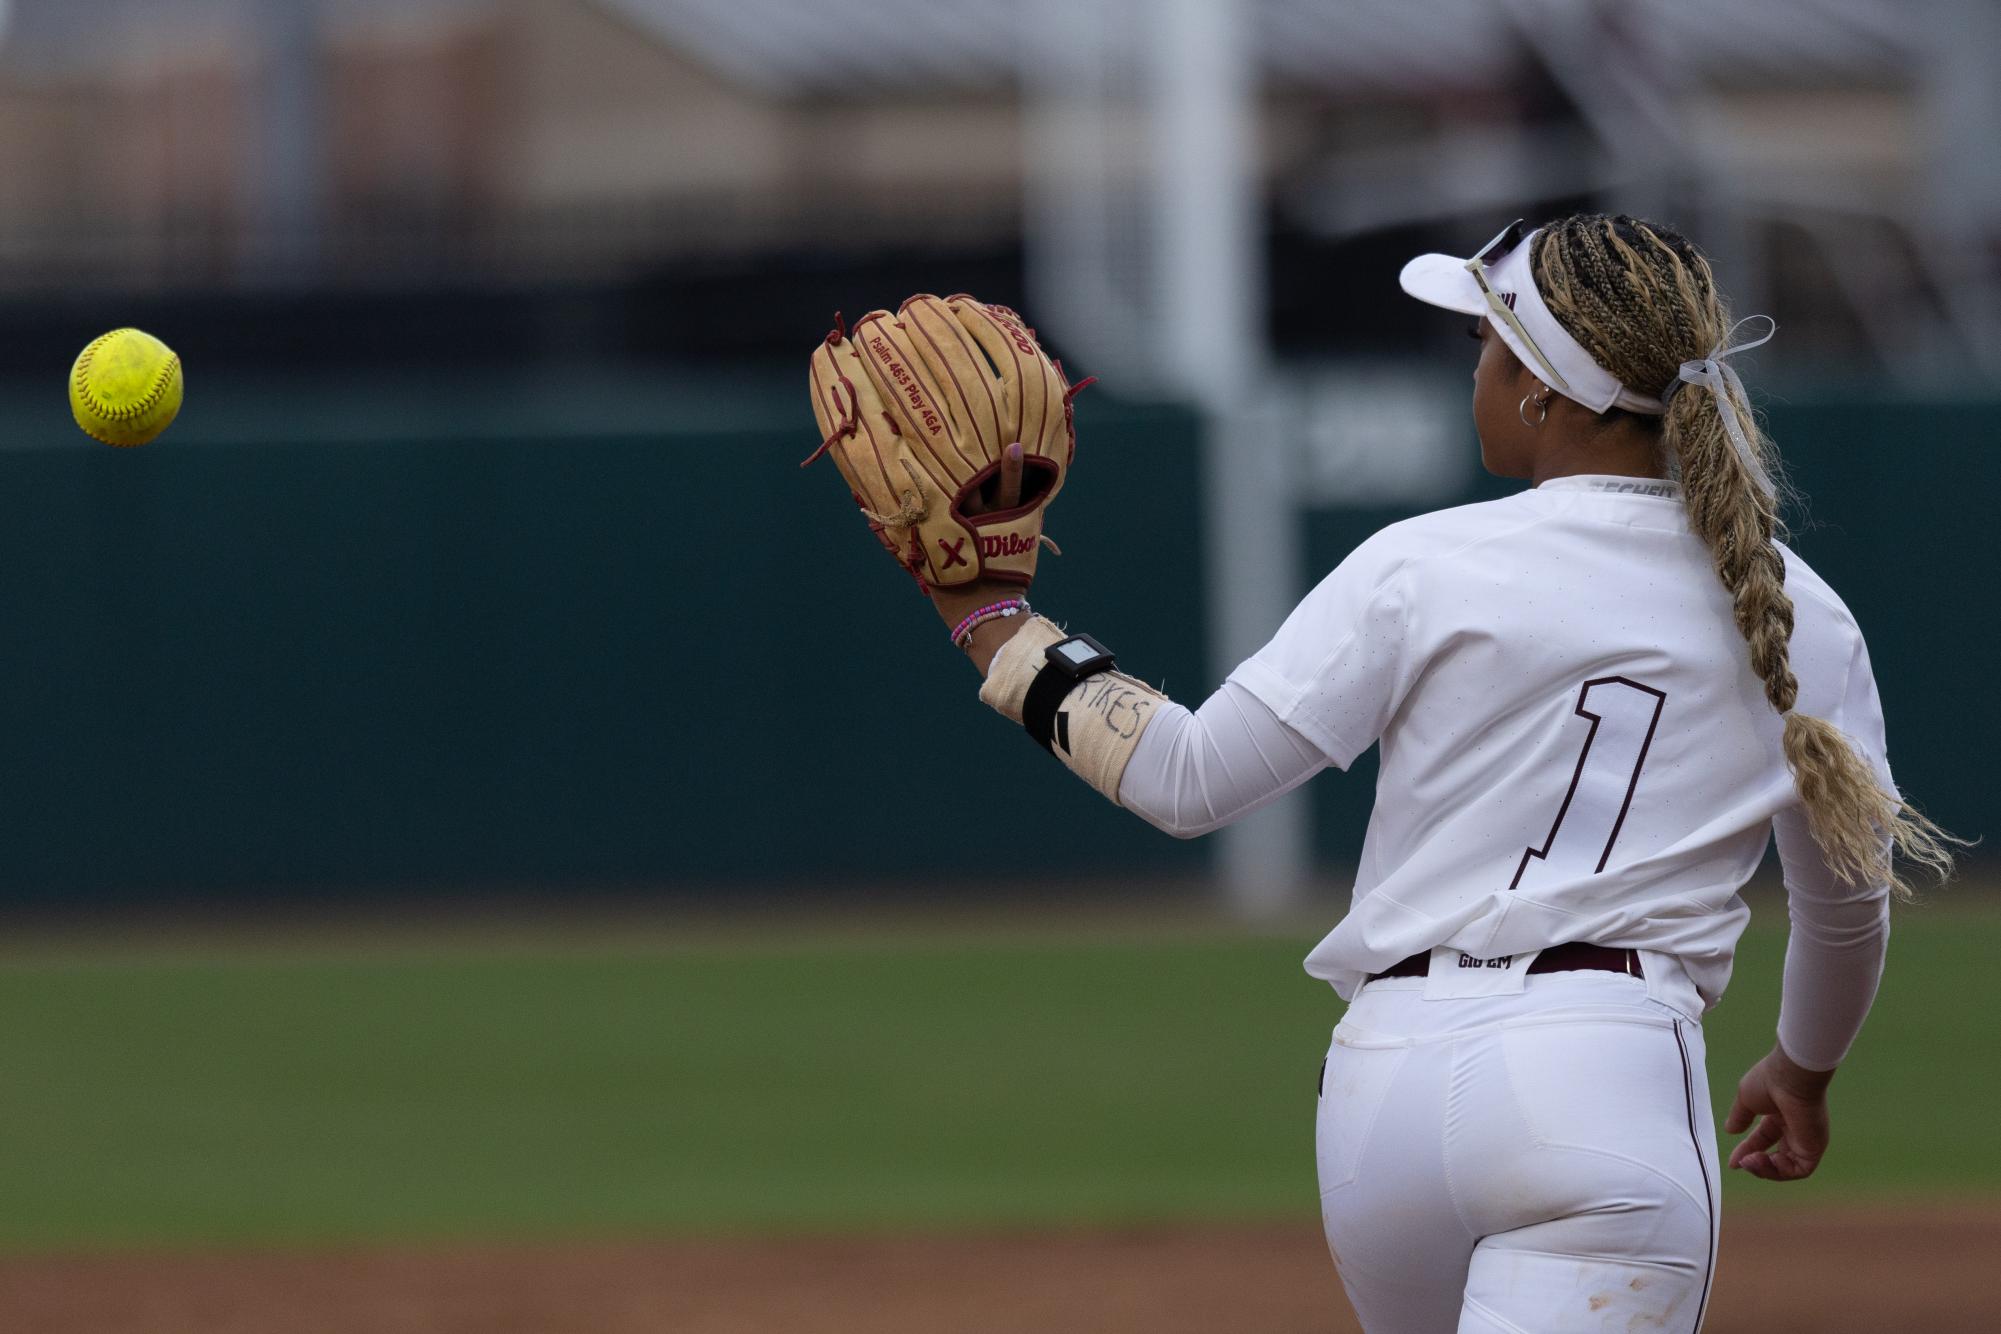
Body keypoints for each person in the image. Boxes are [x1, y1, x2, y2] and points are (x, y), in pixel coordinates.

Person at [924, 214, 1956, 1333]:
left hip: (1386, 1090)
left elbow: (1188, 779)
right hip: (1603, 1078)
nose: (1475, 367)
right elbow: (1845, 908)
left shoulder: (1417, 564)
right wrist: (1804, 1067)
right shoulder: (1805, 614)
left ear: (1543, 393)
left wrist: (991, 618)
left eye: (1487, 344)